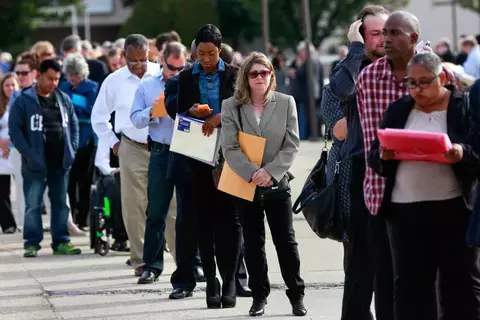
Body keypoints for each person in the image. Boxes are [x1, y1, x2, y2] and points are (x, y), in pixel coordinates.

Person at [368, 52, 480, 320]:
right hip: (405, 213)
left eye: (424, 82)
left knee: (460, 286)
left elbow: (476, 153)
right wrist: (382, 155)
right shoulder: (399, 109)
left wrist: (460, 153)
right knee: (410, 288)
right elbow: (374, 154)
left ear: (442, 78)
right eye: (412, 83)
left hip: (453, 211)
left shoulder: (461, 106)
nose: (417, 89)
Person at [221, 52, 306, 317]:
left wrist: (270, 172)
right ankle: (259, 297)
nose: (260, 77)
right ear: (246, 77)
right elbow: (229, 147)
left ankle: (296, 296)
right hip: (246, 185)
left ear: (272, 75)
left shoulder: (285, 102)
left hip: (277, 184)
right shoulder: (232, 106)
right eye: (254, 73)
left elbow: (292, 143)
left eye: (265, 72)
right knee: (253, 243)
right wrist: (252, 172)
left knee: (286, 242)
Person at [328, 5, 392, 320]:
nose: (383, 39)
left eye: (388, 31)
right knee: (360, 261)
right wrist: (355, 50)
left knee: (394, 262)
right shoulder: (349, 67)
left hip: (399, 171)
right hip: (359, 171)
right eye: (375, 33)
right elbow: (340, 92)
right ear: (361, 34)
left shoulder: (404, 66)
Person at [174, 24, 241, 308]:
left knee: (230, 221)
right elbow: (179, 111)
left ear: (220, 50)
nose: (206, 59)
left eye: (211, 53)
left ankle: (230, 281)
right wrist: (191, 112)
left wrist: (219, 116)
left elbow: (244, 106)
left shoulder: (235, 74)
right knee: (203, 220)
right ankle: (210, 281)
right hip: (198, 154)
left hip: (231, 154)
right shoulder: (187, 76)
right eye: (200, 53)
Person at [91, 34, 160, 275]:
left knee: (168, 202)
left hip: (161, 146)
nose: (139, 65)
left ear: (150, 54)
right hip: (130, 146)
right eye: (133, 61)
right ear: (123, 56)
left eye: (143, 59)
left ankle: (177, 255)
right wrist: (113, 143)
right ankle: (140, 259)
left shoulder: (160, 75)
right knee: (134, 205)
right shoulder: (114, 81)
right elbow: (98, 118)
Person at [8, 59, 80, 258]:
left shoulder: (63, 99)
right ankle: (31, 243)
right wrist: (29, 155)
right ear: (38, 75)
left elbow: (73, 126)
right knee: (33, 204)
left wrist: (72, 150)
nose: (54, 83)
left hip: (60, 161)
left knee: (60, 203)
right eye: (50, 78)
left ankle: (61, 241)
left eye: (57, 79)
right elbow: (15, 131)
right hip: (35, 163)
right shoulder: (23, 100)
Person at [129, 41, 186, 285]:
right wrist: (152, 112)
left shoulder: (191, 82)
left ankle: (192, 263)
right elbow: (135, 119)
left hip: (186, 151)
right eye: (172, 68)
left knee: (188, 210)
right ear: (162, 60)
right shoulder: (148, 86)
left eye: (181, 68)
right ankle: (151, 266)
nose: (176, 73)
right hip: (161, 152)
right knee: (156, 211)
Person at [59, 53, 99, 231]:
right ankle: (71, 218)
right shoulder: (63, 86)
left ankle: (84, 219)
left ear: (83, 73)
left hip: (87, 140)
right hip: (66, 140)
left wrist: (73, 106)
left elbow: (91, 111)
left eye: (75, 74)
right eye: (69, 75)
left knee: (85, 181)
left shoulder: (92, 87)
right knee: (69, 181)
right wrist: (77, 106)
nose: (72, 78)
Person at [0, 72, 19, 233]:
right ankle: (8, 224)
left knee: (21, 189)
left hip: (17, 149)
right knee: (2, 190)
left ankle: (25, 223)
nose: (10, 88)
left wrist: (10, 143)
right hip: (1, 154)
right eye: (7, 85)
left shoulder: (21, 102)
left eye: (13, 85)